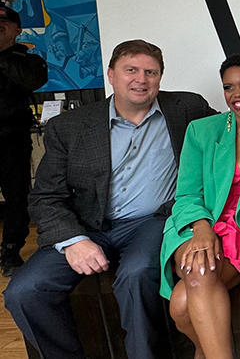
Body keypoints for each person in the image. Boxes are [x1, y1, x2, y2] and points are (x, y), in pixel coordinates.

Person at [4, 39, 215, 359]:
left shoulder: (186, 108)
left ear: (160, 77)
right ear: (111, 74)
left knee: (136, 274)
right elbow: (46, 196)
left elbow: (234, 131)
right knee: (24, 292)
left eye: (151, 72)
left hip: (151, 222)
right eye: (131, 70)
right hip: (87, 225)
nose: (141, 79)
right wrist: (73, 240)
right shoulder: (70, 126)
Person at [159, 53, 240, 359]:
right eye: (229, 88)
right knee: (199, 268)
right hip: (196, 226)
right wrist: (201, 229)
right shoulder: (201, 131)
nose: (237, 94)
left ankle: (203, 352)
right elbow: (186, 194)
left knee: (182, 304)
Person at [0, 6, 47, 275]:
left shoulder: (28, 61)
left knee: (17, 197)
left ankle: (10, 252)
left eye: (4, 23)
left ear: (18, 30)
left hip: (11, 140)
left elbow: (31, 80)